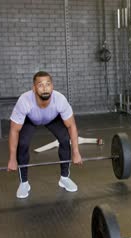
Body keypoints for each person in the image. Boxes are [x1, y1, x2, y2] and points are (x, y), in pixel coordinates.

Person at [7, 71, 82, 199]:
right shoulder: (24, 101)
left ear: (52, 86)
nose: (45, 88)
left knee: (64, 139)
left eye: (48, 84)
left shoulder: (60, 100)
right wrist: (12, 159)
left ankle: (64, 178)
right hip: (31, 119)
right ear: (34, 88)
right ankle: (24, 183)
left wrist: (76, 152)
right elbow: (14, 130)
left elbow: (71, 126)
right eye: (40, 85)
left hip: (52, 118)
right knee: (23, 143)